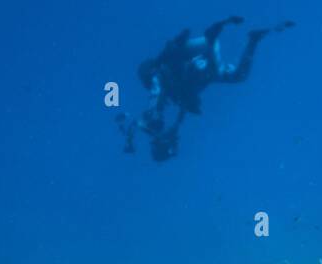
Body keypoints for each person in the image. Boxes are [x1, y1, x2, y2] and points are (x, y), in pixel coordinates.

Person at [119, 16, 293, 162]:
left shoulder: (160, 81)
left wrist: (149, 122)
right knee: (239, 76)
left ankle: (213, 38)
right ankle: (253, 39)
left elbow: (155, 98)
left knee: (208, 70)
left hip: (199, 54)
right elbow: (177, 112)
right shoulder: (172, 94)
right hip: (202, 59)